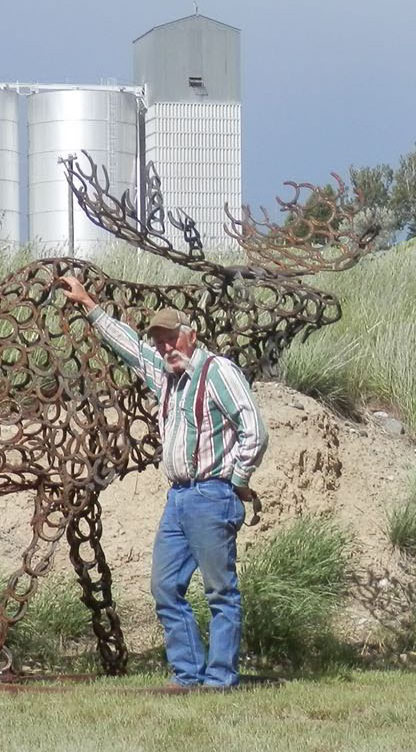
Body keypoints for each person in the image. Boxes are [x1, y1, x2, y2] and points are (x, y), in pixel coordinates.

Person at [58, 275, 267, 688]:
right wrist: (89, 304)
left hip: (211, 494)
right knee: (166, 586)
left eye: (172, 338)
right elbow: (131, 348)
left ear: (191, 336)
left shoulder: (217, 372)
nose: (166, 346)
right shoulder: (167, 376)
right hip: (179, 498)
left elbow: (254, 430)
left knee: (220, 592)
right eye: (161, 341)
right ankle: (188, 674)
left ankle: (220, 679)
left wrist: (238, 480)